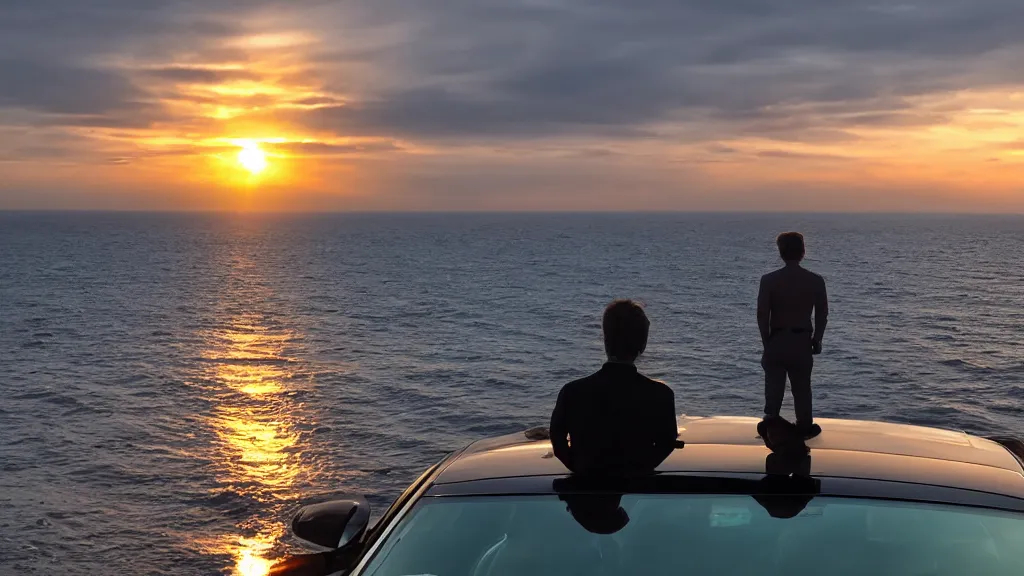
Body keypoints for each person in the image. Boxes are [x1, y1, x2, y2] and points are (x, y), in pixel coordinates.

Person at [549, 299, 679, 477]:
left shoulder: (572, 392)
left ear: (605, 339)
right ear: (643, 344)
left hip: (583, 496)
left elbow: (558, 440)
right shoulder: (661, 395)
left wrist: (581, 468)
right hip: (638, 487)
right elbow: (666, 443)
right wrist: (638, 470)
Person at [757, 232, 828, 439]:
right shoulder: (815, 281)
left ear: (781, 252)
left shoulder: (769, 280)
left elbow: (763, 314)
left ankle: (771, 425)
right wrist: (817, 339)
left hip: (777, 339)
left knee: (773, 389)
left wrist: (766, 341)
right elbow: (822, 314)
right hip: (801, 341)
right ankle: (804, 427)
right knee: (802, 389)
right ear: (803, 252)